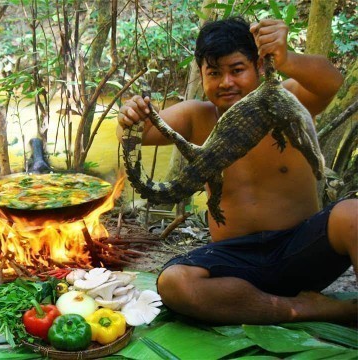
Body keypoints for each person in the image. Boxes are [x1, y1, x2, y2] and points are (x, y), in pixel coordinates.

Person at [117, 16, 357, 324]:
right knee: (175, 282)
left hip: (301, 250)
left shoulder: (284, 99)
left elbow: (331, 82)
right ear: (202, 76)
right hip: (236, 260)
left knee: (354, 213)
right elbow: (138, 134)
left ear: (259, 67)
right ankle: (314, 309)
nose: (226, 82)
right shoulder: (197, 116)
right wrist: (131, 117)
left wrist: (288, 58)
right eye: (214, 73)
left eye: (237, 70)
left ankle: (281, 305)